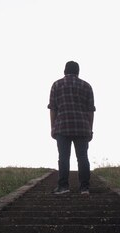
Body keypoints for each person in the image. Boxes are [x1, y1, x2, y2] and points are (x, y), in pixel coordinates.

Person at [48, 61, 95, 194]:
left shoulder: (56, 85)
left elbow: (53, 109)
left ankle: (63, 187)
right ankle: (84, 187)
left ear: (64, 71)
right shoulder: (87, 86)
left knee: (63, 157)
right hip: (82, 127)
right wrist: (90, 129)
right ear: (78, 72)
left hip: (62, 127)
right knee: (83, 157)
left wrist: (53, 127)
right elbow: (90, 110)